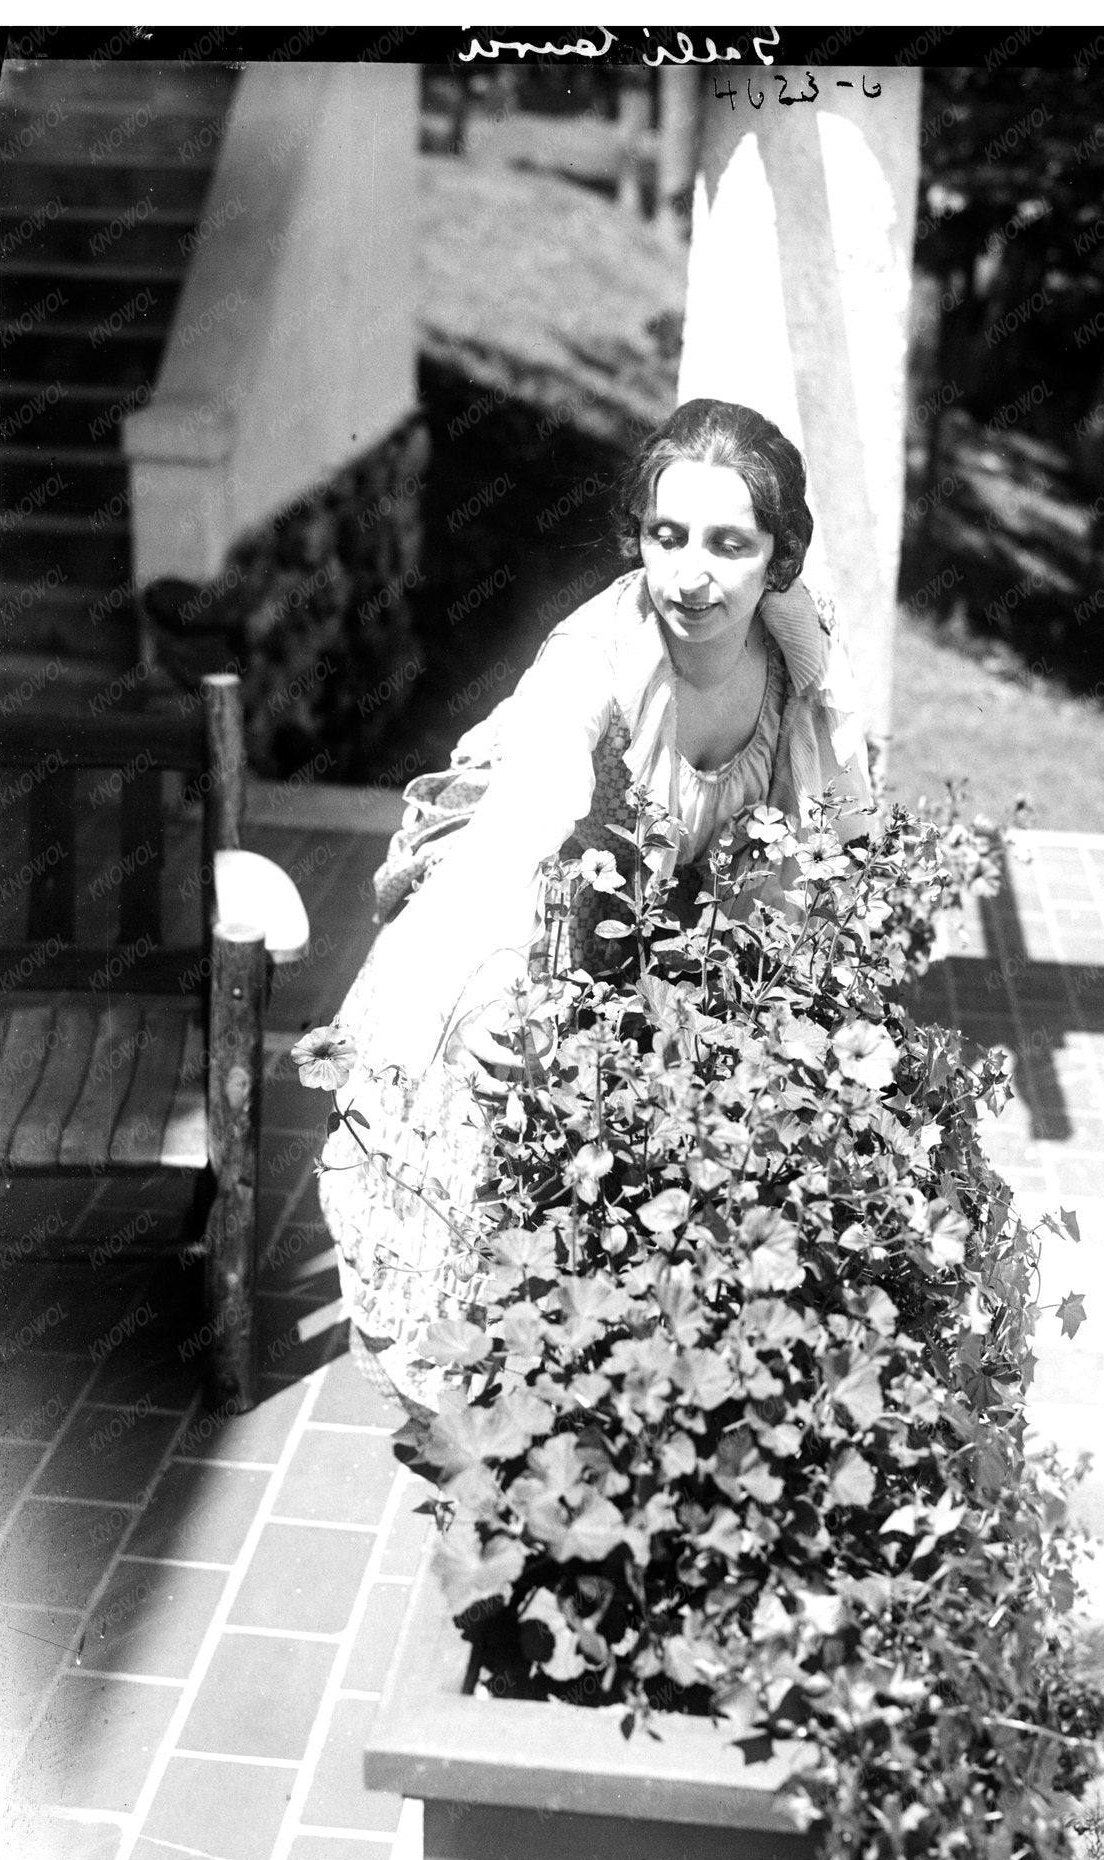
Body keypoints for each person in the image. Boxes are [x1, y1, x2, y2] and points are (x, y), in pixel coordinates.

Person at [316, 397, 875, 1416]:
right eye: (666, 536)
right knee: (491, 1101)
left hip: (671, 903)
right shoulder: (597, 664)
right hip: (539, 889)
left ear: (777, 561)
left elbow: (831, 834)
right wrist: (489, 1005)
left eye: (727, 544)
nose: (690, 574)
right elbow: (514, 840)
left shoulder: (797, 661)